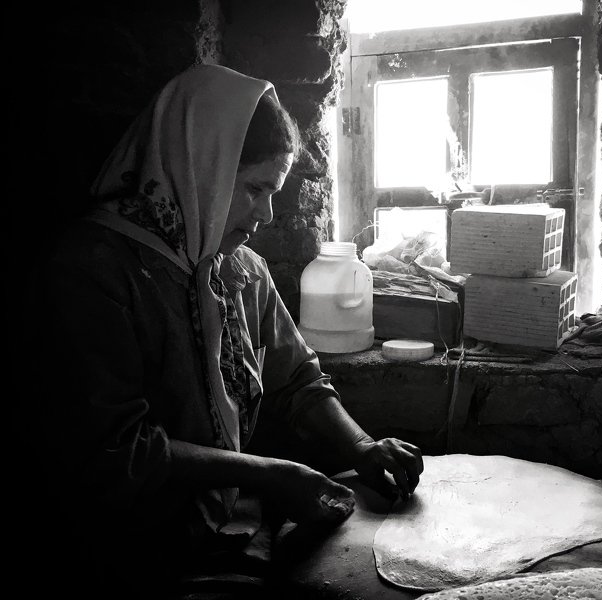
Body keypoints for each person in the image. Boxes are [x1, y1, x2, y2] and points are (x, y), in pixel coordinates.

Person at [26, 64, 423, 598]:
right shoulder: (93, 271)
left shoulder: (239, 269)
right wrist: (268, 474)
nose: (267, 214)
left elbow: (297, 381)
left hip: (223, 525)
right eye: (255, 188)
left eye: (274, 191)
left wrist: (360, 446)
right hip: (120, 552)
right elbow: (117, 452)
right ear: (201, 170)